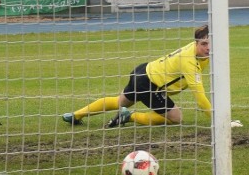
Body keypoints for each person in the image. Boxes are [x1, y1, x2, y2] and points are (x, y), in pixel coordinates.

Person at [62, 25, 212, 127]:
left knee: (120, 101)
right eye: (204, 44)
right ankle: (129, 116)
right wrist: (219, 122)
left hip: (143, 71)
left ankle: (75, 115)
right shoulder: (189, 61)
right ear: (196, 43)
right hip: (149, 85)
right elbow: (200, 98)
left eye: (210, 43)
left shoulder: (199, 53)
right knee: (176, 117)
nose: (208, 48)